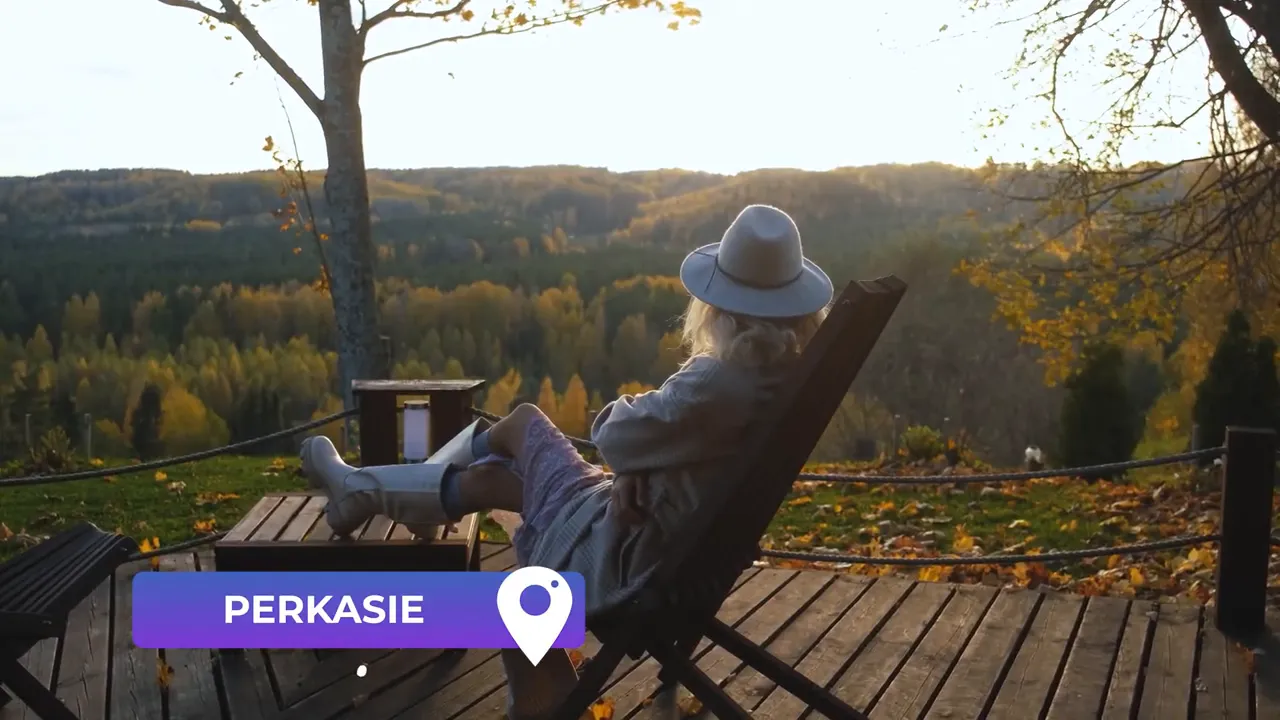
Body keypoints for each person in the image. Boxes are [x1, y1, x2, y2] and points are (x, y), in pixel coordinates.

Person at [299, 204, 834, 720]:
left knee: (521, 432)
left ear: (719, 305)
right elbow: (683, 454)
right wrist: (640, 471)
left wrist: (633, 462)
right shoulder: (786, 381)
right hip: (667, 540)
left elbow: (612, 434)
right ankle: (375, 493)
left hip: (626, 551)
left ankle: (386, 497)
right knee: (501, 469)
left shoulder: (717, 383)